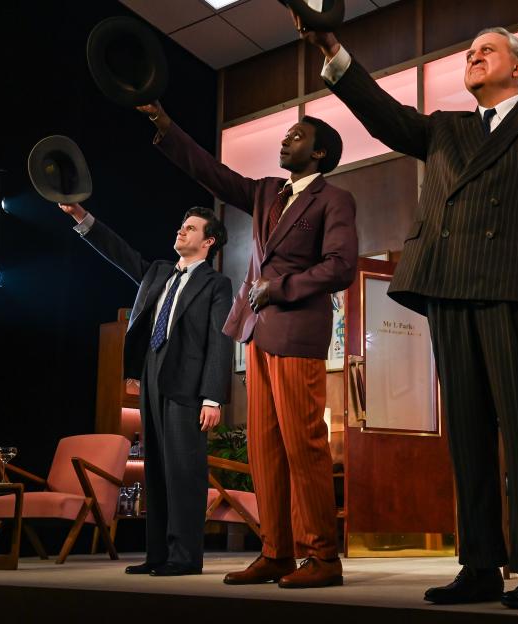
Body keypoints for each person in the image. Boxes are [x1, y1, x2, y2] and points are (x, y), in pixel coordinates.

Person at [295, 15, 518, 609]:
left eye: (486, 50)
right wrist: (333, 49)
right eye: (468, 51)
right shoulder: (445, 129)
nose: (472, 55)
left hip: (517, 287)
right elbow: (384, 116)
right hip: (452, 286)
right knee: (467, 434)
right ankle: (481, 565)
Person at [136, 102, 357, 589]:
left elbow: (341, 266)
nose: (285, 140)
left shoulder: (333, 199)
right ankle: (276, 553)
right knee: (265, 450)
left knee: (304, 448)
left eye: (296, 135)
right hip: (255, 334)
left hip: (297, 333)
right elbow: (211, 172)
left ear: (319, 152)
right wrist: (166, 125)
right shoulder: (264, 193)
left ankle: (322, 557)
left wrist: (278, 288)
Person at [58, 202, 232, 577]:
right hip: (152, 375)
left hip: (188, 385)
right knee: (156, 470)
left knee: (184, 471)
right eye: (181, 226)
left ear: (209, 240)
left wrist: (213, 397)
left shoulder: (216, 283)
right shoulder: (158, 272)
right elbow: (119, 252)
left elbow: (220, 340)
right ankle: (158, 555)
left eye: (190, 228)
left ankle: (185, 557)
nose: (181, 232)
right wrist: (80, 217)